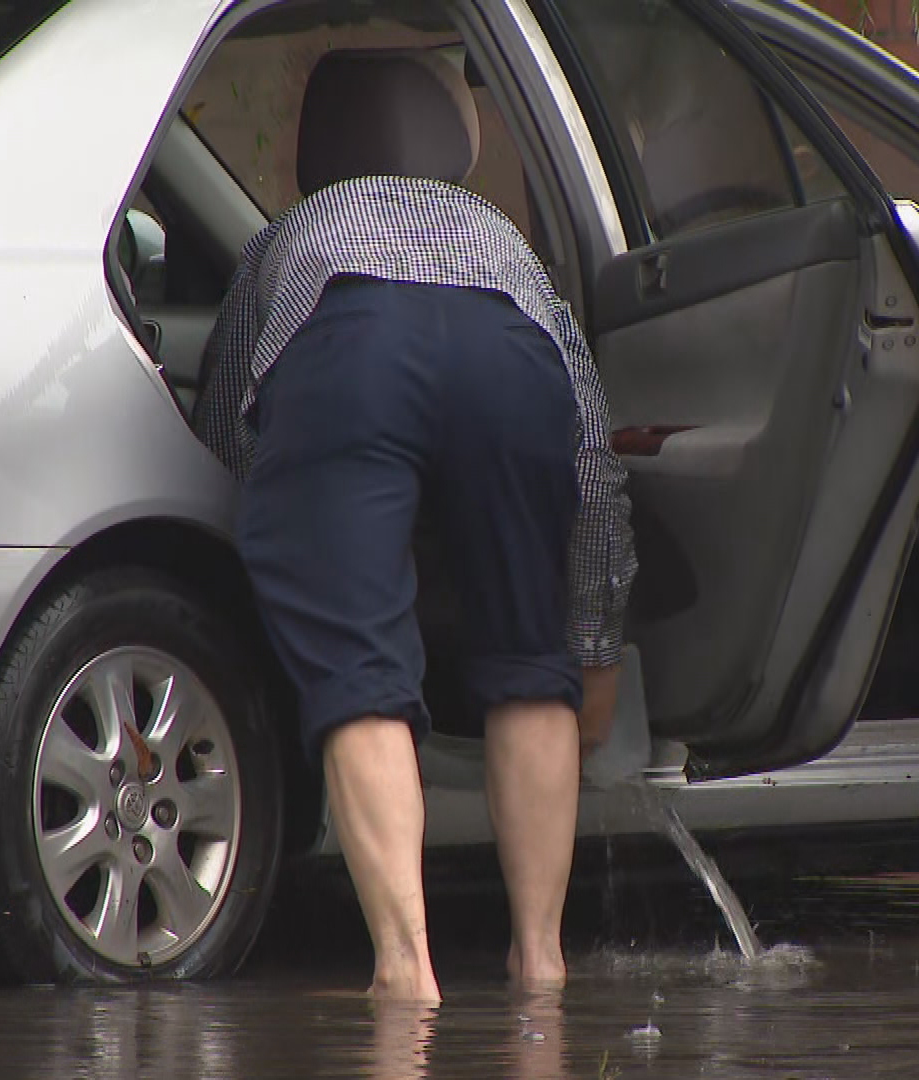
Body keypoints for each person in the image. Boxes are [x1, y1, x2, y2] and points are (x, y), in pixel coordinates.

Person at [193, 48, 636, 1003]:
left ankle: (407, 971)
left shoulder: (289, 238)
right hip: (504, 357)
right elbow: (590, 456)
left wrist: (317, 535)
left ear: (321, 148)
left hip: (345, 354)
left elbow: (228, 427)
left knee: (361, 677)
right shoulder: (502, 238)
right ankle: (541, 963)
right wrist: (593, 648)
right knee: (530, 661)